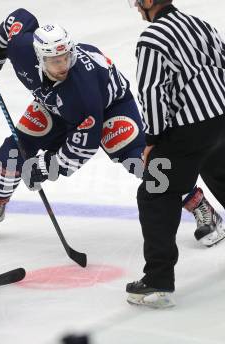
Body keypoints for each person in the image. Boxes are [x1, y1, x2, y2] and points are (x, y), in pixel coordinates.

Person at [0, 8, 222, 249]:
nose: (63, 65)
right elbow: (19, 19)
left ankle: (201, 205)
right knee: (13, 149)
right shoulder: (22, 49)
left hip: (111, 106)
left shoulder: (83, 90)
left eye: (66, 56)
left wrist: (45, 167)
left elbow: (83, 146)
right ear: (39, 57)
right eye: (55, 60)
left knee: (142, 162)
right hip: (54, 105)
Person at [126, 0, 225, 308]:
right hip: (222, 119)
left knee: (155, 194)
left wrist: (153, 139)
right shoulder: (201, 24)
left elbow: (153, 91)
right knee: (220, 175)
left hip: (187, 130)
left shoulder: (152, 38)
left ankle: (157, 281)